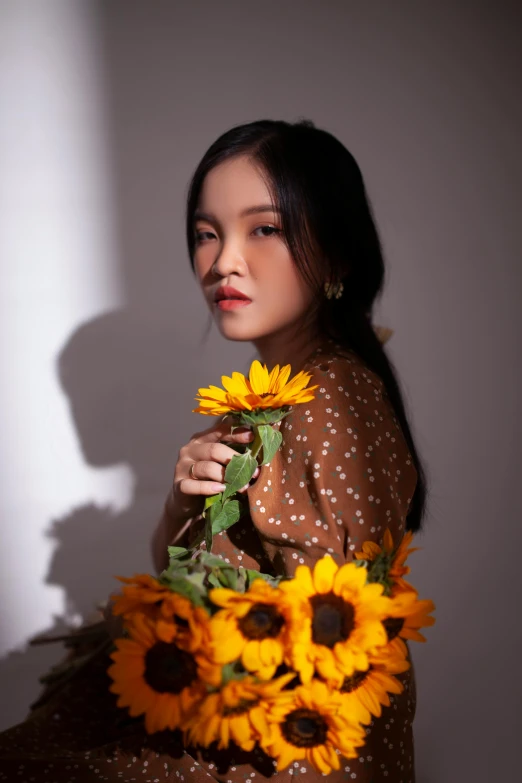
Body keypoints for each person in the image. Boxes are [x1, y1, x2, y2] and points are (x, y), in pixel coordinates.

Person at [0, 119, 428, 782]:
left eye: (264, 228)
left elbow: (335, 620)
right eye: (207, 233)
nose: (223, 261)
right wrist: (182, 496)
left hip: (290, 739)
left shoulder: (335, 393)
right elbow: (185, 571)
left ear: (338, 254)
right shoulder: (265, 401)